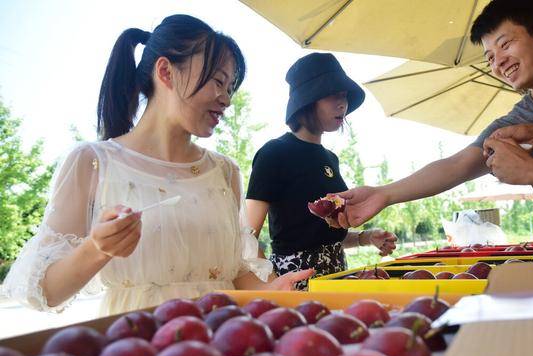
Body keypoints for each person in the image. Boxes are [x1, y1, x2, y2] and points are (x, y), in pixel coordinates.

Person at [2, 15, 313, 316]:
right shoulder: (93, 162)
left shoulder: (225, 172)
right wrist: (97, 248)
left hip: (219, 343)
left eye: (230, 87)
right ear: (165, 71)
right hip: (139, 346)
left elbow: (232, 274)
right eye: (219, 81)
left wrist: (272, 291)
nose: (227, 99)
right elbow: (45, 291)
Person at [328, 0, 533, 230]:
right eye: (490, 57)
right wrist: (384, 194)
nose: (499, 62)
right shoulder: (515, 126)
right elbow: (456, 165)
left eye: (506, 44)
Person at [246, 53, 397, 290]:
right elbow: (246, 235)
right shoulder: (274, 153)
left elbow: (322, 234)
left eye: (345, 96)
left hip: (339, 277)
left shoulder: (331, 159)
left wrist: (365, 237)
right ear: (308, 100)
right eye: (333, 96)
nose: (342, 104)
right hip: (292, 283)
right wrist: (272, 285)